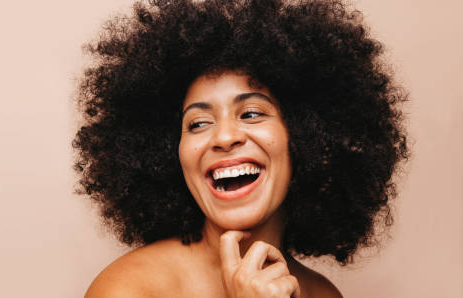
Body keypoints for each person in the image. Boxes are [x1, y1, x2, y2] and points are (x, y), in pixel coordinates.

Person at [73, 0, 408, 296]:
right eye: (198, 123)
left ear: (306, 136)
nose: (224, 137)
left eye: (251, 113)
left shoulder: (322, 295)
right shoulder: (130, 289)